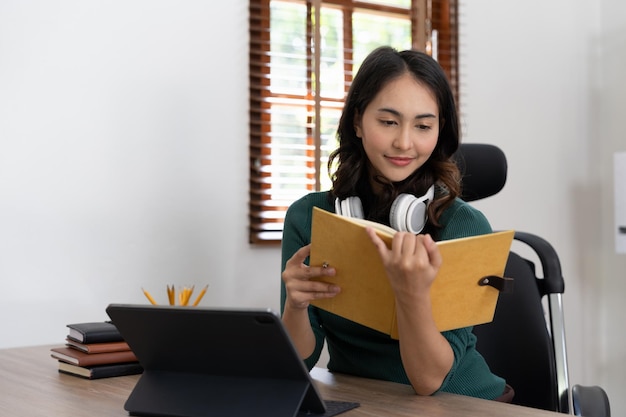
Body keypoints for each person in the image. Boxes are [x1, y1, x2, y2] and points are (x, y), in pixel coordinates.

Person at [280, 46, 512, 402]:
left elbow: (429, 381)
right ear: (358, 121)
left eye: (423, 126)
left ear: (439, 131)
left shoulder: (463, 225)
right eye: (388, 122)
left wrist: (410, 292)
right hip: (365, 400)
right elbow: (301, 362)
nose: (404, 142)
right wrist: (295, 308)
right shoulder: (308, 218)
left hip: (465, 403)